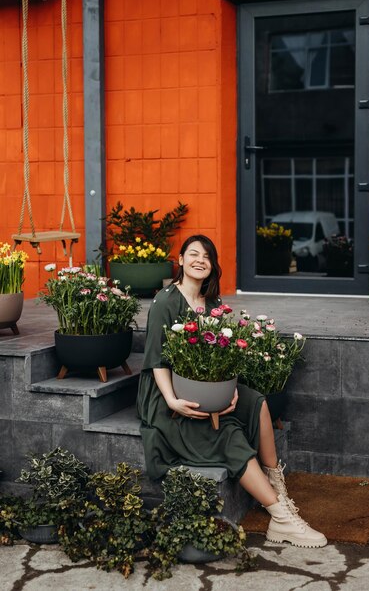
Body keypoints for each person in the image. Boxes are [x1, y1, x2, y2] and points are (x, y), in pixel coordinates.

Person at [137, 234, 327, 548]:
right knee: (226, 434)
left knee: (256, 402)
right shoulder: (165, 302)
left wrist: (231, 391)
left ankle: (276, 485)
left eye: (207, 257)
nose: (200, 260)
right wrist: (174, 401)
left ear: (212, 266)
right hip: (167, 393)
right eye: (193, 254)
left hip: (206, 385)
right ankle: (280, 518)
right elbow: (157, 361)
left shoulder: (211, 304)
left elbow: (223, 357)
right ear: (181, 260)